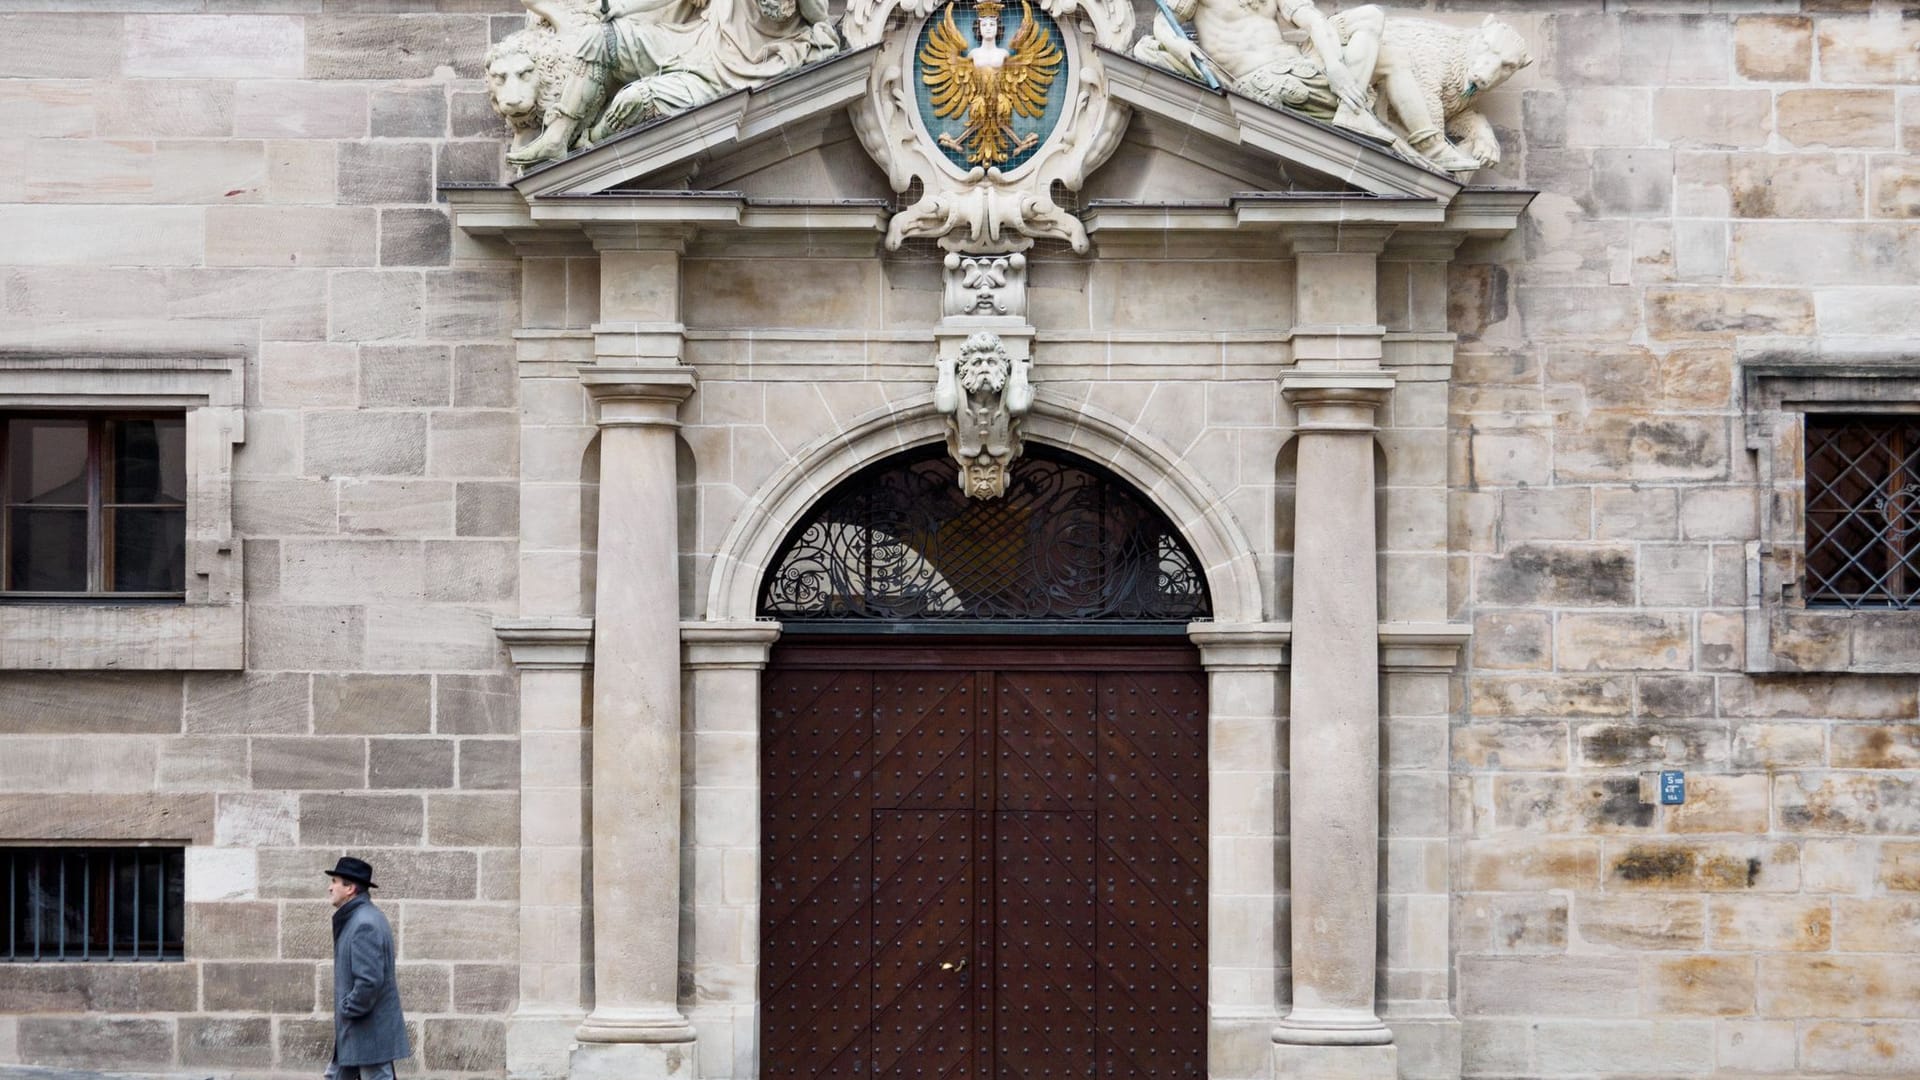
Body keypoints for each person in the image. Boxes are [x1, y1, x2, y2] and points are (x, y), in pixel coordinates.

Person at [325, 857, 409, 1080]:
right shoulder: (359, 918)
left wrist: (347, 1009)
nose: (330, 887)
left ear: (350, 888)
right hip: (358, 1032)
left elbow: (369, 982)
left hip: (368, 1032)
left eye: (335, 881)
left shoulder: (364, 923)